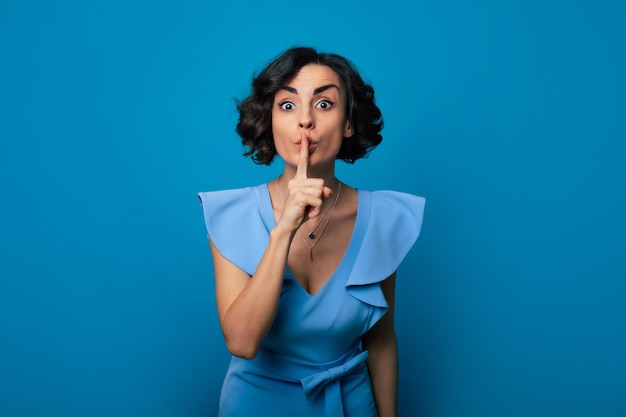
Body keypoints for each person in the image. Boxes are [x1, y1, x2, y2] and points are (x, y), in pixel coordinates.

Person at [198, 46, 425, 417]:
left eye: (323, 104)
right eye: (287, 105)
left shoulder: (383, 218)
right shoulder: (231, 215)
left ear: (348, 123)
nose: (305, 120)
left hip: (350, 405)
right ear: (270, 121)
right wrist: (284, 229)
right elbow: (241, 341)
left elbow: (381, 341)